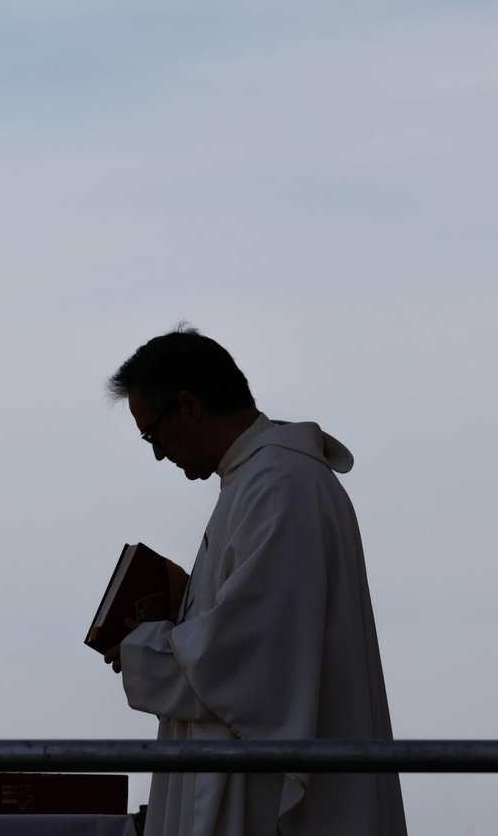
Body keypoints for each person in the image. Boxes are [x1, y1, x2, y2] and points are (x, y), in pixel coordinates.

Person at [104, 326, 406, 836]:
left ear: (189, 406)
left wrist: (143, 650)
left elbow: (254, 655)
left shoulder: (280, 483)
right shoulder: (256, 479)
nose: (157, 453)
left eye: (153, 434)